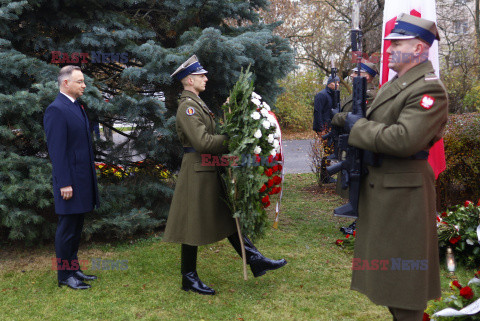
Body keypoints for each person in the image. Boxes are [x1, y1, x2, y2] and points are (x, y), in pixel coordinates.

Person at [344, 14, 447, 320]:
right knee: (390, 279)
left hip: (405, 197)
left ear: (418, 49)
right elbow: (376, 120)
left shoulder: (429, 90)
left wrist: (358, 128)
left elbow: (405, 139)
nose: (388, 49)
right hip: (387, 190)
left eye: (396, 43)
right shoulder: (400, 84)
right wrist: (346, 119)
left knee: (405, 284)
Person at [163, 55, 287, 295]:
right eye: (201, 75)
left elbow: (210, 136)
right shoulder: (187, 106)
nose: (206, 78)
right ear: (189, 80)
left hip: (207, 169)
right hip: (197, 171)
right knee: (193, 225)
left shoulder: (197, 103)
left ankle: (255, 259)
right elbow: (203, 142)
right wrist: (235, 140)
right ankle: (189, 277)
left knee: (228, 217)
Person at [44, 65, 100, 290]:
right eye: (80, 81)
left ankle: (73, 267)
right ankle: (64, 275)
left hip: (81, 179)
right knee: (67, 228)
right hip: (69, 181)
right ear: (66, 83)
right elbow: (57, 151)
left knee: (76, 227)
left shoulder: (76, 106)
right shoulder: (56, 109)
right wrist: (64, 182)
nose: (84, 85)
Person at [331, 61, 378, 235]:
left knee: (362, 184)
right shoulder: (357, 92)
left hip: (361, 141)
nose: (351, 76)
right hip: (352, 140)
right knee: (353, 182)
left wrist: (337, 117)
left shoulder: (370, 95)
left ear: (366, 76)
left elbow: (358, 116)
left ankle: (361, 223)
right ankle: (358, 221)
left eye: (355, 73)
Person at [313, 76, 340, 184]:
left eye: (338, 83)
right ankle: (324, 177)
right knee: (326, 152)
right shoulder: (322, 95)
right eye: (335, 82)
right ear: (329, 83)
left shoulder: (335, 95)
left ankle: (326, 176)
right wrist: (321, 130)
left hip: (331, 127)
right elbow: (317, 112)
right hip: (324, 128)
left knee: (330, 151)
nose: (337, 84)